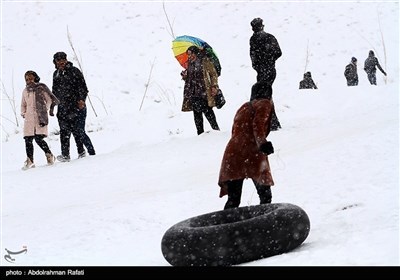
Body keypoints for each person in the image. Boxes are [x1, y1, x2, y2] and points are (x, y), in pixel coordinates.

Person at [218, 81, 275, 209]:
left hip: (232, 153)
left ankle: (227, 225)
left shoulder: (244, 107)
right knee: (265, 195)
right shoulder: (264, 104)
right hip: (252, 151)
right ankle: (263, 224)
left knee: (233, 199)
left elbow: (236, 130)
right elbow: (258, 125)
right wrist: (263, 144)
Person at [51, 51, 96, 162]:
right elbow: (54, 92)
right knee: (64, 132)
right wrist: (52, 106)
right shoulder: (55, 74)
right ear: (55, 62)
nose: (61, 62)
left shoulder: (74, 71)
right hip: (62, 108)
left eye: (63, 59)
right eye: (58, 60)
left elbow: (83, 87)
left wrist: (81, 100)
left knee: (78, 131)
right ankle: (65, 155)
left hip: (76, 106)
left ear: (66, 60)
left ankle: (90, 153)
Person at [21, 71, 59, 170]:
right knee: (28, 139)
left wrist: (44, 109)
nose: (29, 81)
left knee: (38, 139)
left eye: (31, 78)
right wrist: (23, 113)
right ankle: (30, 161)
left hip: (40, 117)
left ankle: (49, 155)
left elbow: (49, 100)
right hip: (29, 118)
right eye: (27, 79)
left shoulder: (41, 88)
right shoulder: (25, 91)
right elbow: (23, 104)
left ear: (36, 78)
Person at [249, 17, 282, 130]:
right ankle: (272, 121)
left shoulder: (254, 39)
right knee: (266, 95)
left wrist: (259, 65)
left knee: (264, 96)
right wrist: (270, 60)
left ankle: (271, 121)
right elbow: (278, 52)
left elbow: (253, 56)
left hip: (263, 70)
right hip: (268, 69)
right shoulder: (269, 37)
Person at [181, 46, 220, 135]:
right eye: (188, 55)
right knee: (197, 115)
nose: (189, 56)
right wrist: (185, 76)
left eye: (190, 54)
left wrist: (214, 86)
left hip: (204, 92)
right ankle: (200, 134)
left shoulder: (205, 61)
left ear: (195, 53)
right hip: (193, 92)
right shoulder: (190, 63)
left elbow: (213, 74)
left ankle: (217, 131)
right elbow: (190, 77)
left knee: (208, 112)